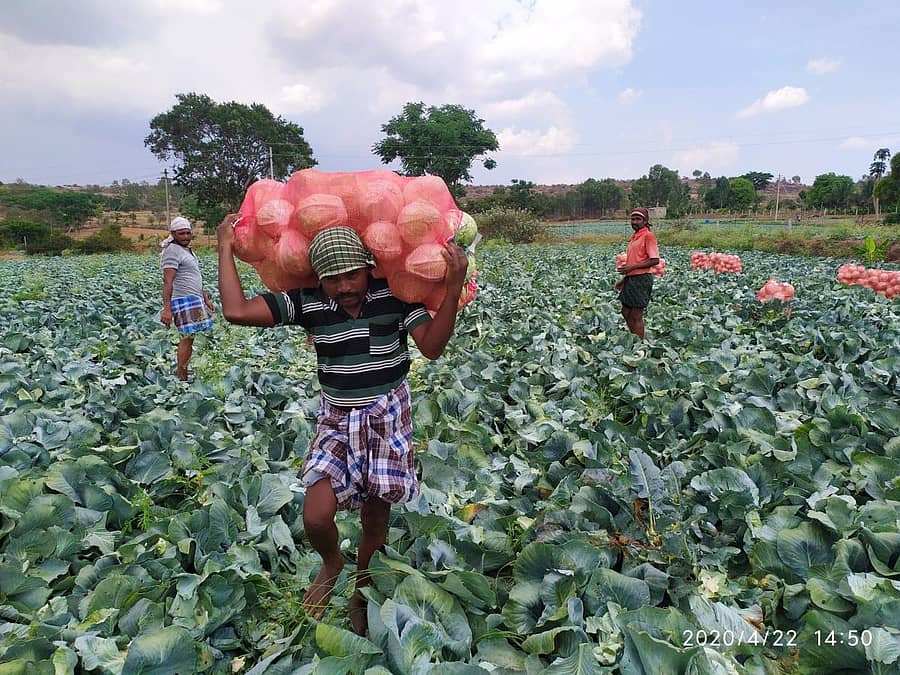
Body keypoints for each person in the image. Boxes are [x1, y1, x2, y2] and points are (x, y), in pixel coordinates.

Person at [216, 217, 468, 635]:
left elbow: (433, 348)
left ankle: (361, 587)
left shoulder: (395, 297)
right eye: (332, 279)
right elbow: (236, 311)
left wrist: (454, 287)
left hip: (386, 416)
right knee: (315, 515)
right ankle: (332, 561)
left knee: (375, 520)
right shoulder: (308, 303)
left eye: (352, 275)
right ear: (319, 279)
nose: (345, 287)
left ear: (369, 268)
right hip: (336, 418)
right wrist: (225, 247)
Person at [160, 216, 215, 379]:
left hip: (194, 299)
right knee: (186, 338)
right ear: (173, 234)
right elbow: (168, 282)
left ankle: (184, 369)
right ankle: (181, 375)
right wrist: (167, 308)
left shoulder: (187, 251)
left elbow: (195, 276)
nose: (185, 236)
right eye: (181, 234)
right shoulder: (172, 251)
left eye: (187, 233)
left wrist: (205, 298)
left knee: (190, 338)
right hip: (183, 300)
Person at [615, 207, 659, 339]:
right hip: (632, 279)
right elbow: (635, 259)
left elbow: (654, 260)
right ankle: (634, 337)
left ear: (645, 221)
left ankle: (639, 343)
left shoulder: (648, 236)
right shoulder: (635, 236)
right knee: (625, 311)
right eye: (633, 219)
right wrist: (624, 279)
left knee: (636, 315)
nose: (634, 221)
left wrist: (631, 268)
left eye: (638, 219)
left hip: (642, 279)